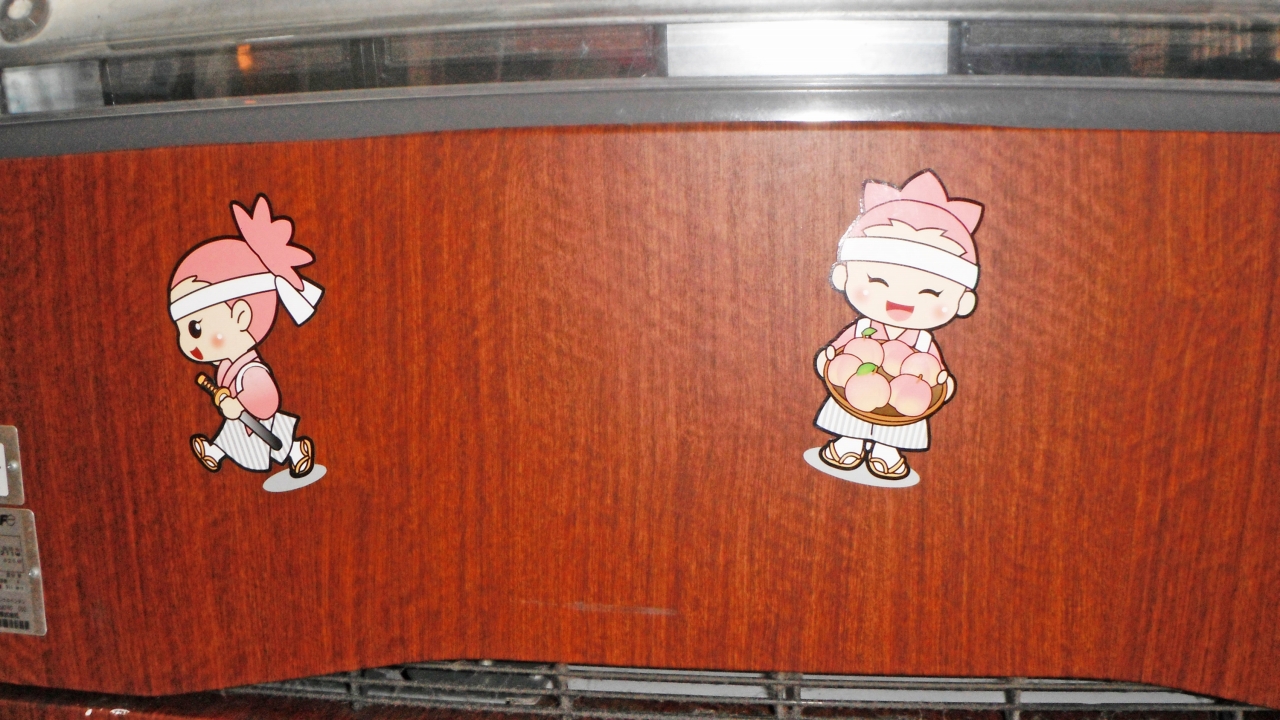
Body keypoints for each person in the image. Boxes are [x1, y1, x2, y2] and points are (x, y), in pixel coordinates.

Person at [814, 170, 982, 480]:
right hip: (850, 392)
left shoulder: (922, 343)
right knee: (850, 417)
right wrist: (830, 357)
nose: (902, 299)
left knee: (902, 420)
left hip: (907, 400)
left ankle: (887, 451)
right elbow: (837, 353)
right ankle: (848, 442)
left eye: (930, 292)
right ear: (844, 276)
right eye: (878, 281)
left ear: (962, 301)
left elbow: (934, 369)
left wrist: (942, 382)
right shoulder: (861, 331)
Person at [168, 194, 323, 478]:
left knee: (273, 441)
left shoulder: (250, 370)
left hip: (256, 419)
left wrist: (238, 403)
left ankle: (296, 451)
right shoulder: (227, 364)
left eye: (196, 329)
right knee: (236, 436)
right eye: (182, 330)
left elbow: (267, 400)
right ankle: (218, 451)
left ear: (241, 316)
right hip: (243, 419)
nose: (186, 343)